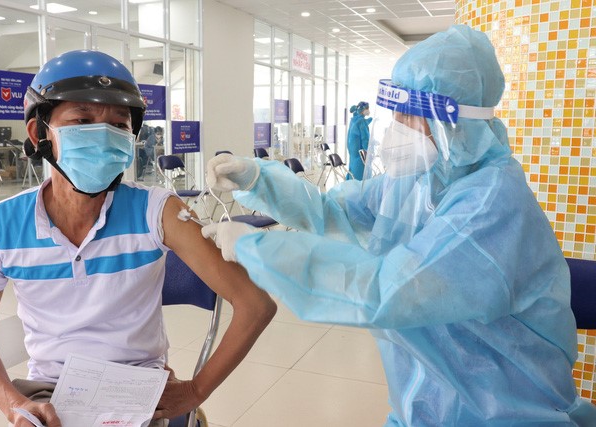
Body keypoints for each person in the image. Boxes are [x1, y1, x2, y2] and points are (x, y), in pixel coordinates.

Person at [200, 25, 596, 425]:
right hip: (423, 408)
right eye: (396, 113)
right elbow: (333, 210)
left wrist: (256, 249)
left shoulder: (492, 203)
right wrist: (257, 179)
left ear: (453, 122)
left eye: (410, 115)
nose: (396, 126)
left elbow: (385, 290)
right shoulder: (419, 180)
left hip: (506, 414)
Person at [0, 50, 276, 427]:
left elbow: (255, 304)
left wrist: (195, 391)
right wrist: (13, 404)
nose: (104, 135)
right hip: (49, 391)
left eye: (119, 124)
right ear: (38, 133)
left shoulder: (158, 211)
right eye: (82, 120)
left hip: (137, 389)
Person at [346, 101, 372, 180]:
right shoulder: (361, 121)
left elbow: (361, 124)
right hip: (360, 154)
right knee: (360, 174)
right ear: (363, 110)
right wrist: (369, 151)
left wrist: (370, 120)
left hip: (353, 151)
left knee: (353, 171)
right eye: (367, 108)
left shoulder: (354, 120)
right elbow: (365, 139)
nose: (368, 110)